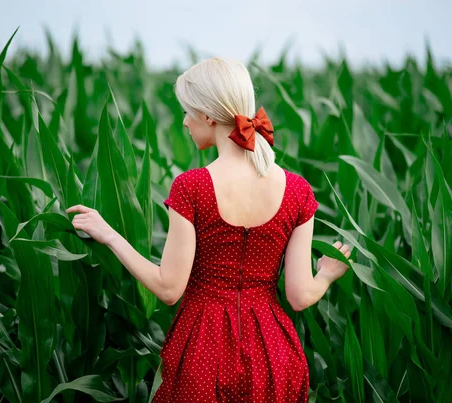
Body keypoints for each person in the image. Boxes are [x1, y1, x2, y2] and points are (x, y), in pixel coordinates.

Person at [67, 56, 351, 402]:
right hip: (273, 355)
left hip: (205, 352)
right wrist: (326, 275)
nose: (184, 122)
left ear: (208, 116)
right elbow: (299, 296)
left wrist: (110, 234)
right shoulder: (297, 192)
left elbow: (169, 288)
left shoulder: (192, 188)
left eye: (188, 111)